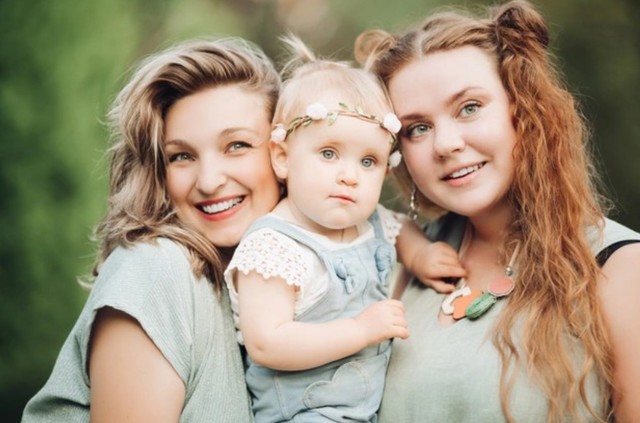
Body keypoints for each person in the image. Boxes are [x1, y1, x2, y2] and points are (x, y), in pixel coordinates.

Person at [355, 0, 640, 421]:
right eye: (418, 128)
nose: (445, 144)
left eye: (469, 108)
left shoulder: (620, 267)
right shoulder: (396, 266)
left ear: (522, 109)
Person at [22, 37, 283, 422]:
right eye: (181, 156)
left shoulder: (278, 285)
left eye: (236, 146)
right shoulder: (156, 270)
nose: (209, 181)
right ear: (157, 173)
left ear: (284, 153)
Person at [224, 36, 464, 423]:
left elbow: (399, 228)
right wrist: (359, 330)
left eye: (368, 161)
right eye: (329, 153)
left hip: (363, 410)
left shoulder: (368, 222)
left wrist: (420, 254)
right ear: (283, 157)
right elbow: (267, 342)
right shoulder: (274, 247)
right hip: (302, 414)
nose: (349, 176)